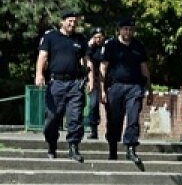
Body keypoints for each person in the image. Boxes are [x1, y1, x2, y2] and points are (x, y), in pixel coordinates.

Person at [34, 9, 89, 162]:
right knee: (52, 118)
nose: (72, 24)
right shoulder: (51, 37)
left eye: (74, 21)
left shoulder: (80, 39)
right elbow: (42, 56)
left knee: (75, 117)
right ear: (62, 22)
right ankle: (52, 144)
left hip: (74, 83)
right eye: (69, 21)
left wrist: (90, 77)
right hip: (56, 82)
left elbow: (87, 60)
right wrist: (39, 74)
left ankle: (73, 148)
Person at [99, 17, 152, 164]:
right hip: (115, 87)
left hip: (134, 87)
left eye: (130, 29)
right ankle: (113, 147)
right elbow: (103, 67)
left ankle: (130, 148)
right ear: (119, 30)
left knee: (133, 117)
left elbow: (144, 68)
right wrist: (102, 90)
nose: (128, 32)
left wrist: (150, 89)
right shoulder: (111, 45)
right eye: (125, 29)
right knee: (114, 120)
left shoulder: (138, 47)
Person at [86, 27, 105, 140]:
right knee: (93, 104)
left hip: (106, 79)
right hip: (93, 79)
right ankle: (94, 129)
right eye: (96, 37)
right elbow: (84, 57)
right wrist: (89, 44)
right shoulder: (90, 49)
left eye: (100, 37)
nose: (98, 39)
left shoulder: (106, 47)